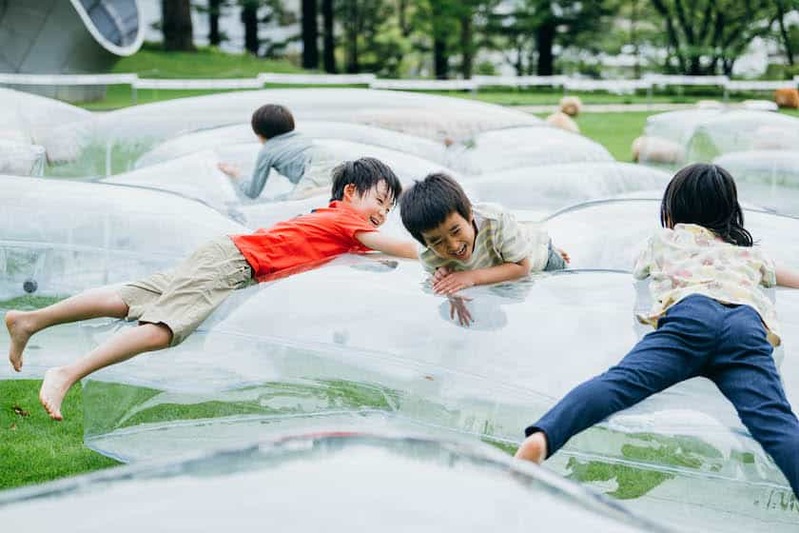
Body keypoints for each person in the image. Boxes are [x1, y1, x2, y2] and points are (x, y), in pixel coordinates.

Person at [6, 157, 417, 421]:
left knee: (129, 298)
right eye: (380, 201)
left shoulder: (336, 221)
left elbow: (344, 250)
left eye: (389, 207)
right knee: (162, 329)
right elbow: (398, 246)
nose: (383, 213)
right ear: (350, 193)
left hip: (224, 253)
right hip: (233, 264)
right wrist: (449, 249)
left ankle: (31, 319)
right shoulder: (348, 221)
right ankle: (68, 373)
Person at [514, 163, 799, 498]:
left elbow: (635, 271)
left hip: (691, 315)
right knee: (775, 420)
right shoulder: (749, 255)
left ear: (672, 211)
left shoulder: (665, 241)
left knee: (619, 383)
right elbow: (790, 278)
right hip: (745, 324)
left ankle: (543, 437)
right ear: (730, 213)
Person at [399, 172, 569, 325]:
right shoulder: (428, 254)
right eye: (437, 242)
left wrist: (471, 277)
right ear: (425, 242)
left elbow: (522, 267)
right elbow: (453, 286)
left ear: (470, 215)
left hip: (538, 259)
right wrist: (446, 285)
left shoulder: (495, 220)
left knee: (565, 293)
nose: (453, 245)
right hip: (499, 268)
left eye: (456, 231)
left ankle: (549, 246)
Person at [217, 103, 317, 200]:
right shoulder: (302, 138)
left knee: (291, 198)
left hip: (315, 170)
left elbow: (252, 192)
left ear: (259, 135)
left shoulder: (267, 151)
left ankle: (325, 190)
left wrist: (236, 174)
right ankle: (327, 189)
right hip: (327, 160)